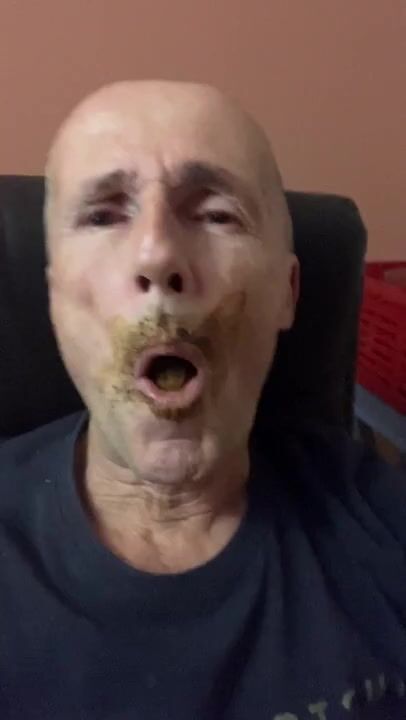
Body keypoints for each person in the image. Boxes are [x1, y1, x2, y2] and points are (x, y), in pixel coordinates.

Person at [0, 81, 405, 720]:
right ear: (54, 297)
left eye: (217, 215)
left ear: (287, 293)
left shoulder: (383, 523)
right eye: (104, 216)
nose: (158, 253)